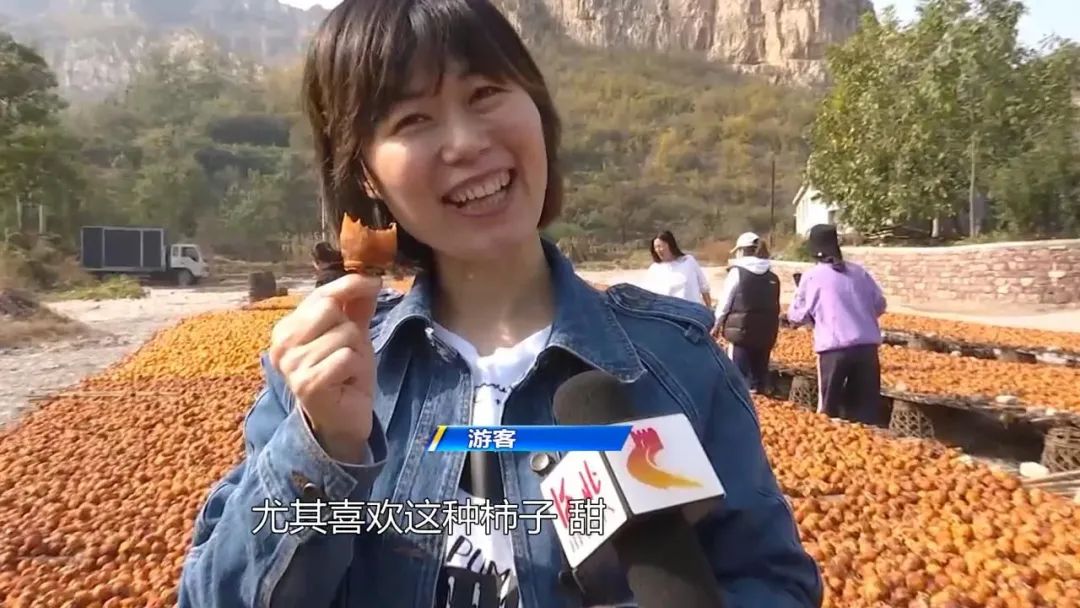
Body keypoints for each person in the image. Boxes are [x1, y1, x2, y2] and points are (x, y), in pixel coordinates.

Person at [177, 1, 822, 606]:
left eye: (485, 93)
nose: (465, 142)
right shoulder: (326, 377)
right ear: (368, 175)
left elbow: (771, 580)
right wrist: (323, 449)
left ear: (536, 109)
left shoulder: (673, 364)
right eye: (412, 119)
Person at [787, 224, 887, 426]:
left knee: (828, 412)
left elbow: (797, 315)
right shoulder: (859, 272)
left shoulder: (812, 276)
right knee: (865, 411)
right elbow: (879, 305)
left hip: (834, 350)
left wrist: (815, 317)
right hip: (867, 349)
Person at [711, 232, 780, 394]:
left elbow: (725, 302)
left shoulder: (737, 273)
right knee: (758, 377)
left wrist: (716, 325)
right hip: (766, 333)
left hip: (741, 333)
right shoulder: (772, 275)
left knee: (738, 380)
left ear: (741, 251)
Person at [645, 230, 713, 308]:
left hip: (692, 310)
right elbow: (648, 296)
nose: (658, 250)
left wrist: (709, 308)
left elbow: (704, 287)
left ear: (670, 245)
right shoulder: (654, 269)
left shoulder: (688, 261)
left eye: (660, 246)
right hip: (669, 312)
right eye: (655, 247)